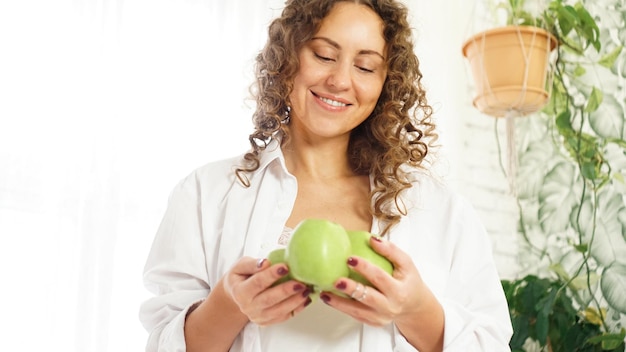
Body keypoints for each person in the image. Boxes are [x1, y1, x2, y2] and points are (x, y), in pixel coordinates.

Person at [139, 0, 514, 351]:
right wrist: (229, 304)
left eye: (365, 67)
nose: (339, 80)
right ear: (287, 56)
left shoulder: (440, 211)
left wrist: (416, 310)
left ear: (386, 84)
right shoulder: (207, 194)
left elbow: (491, 343)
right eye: (324, 55)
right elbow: (163, 342)